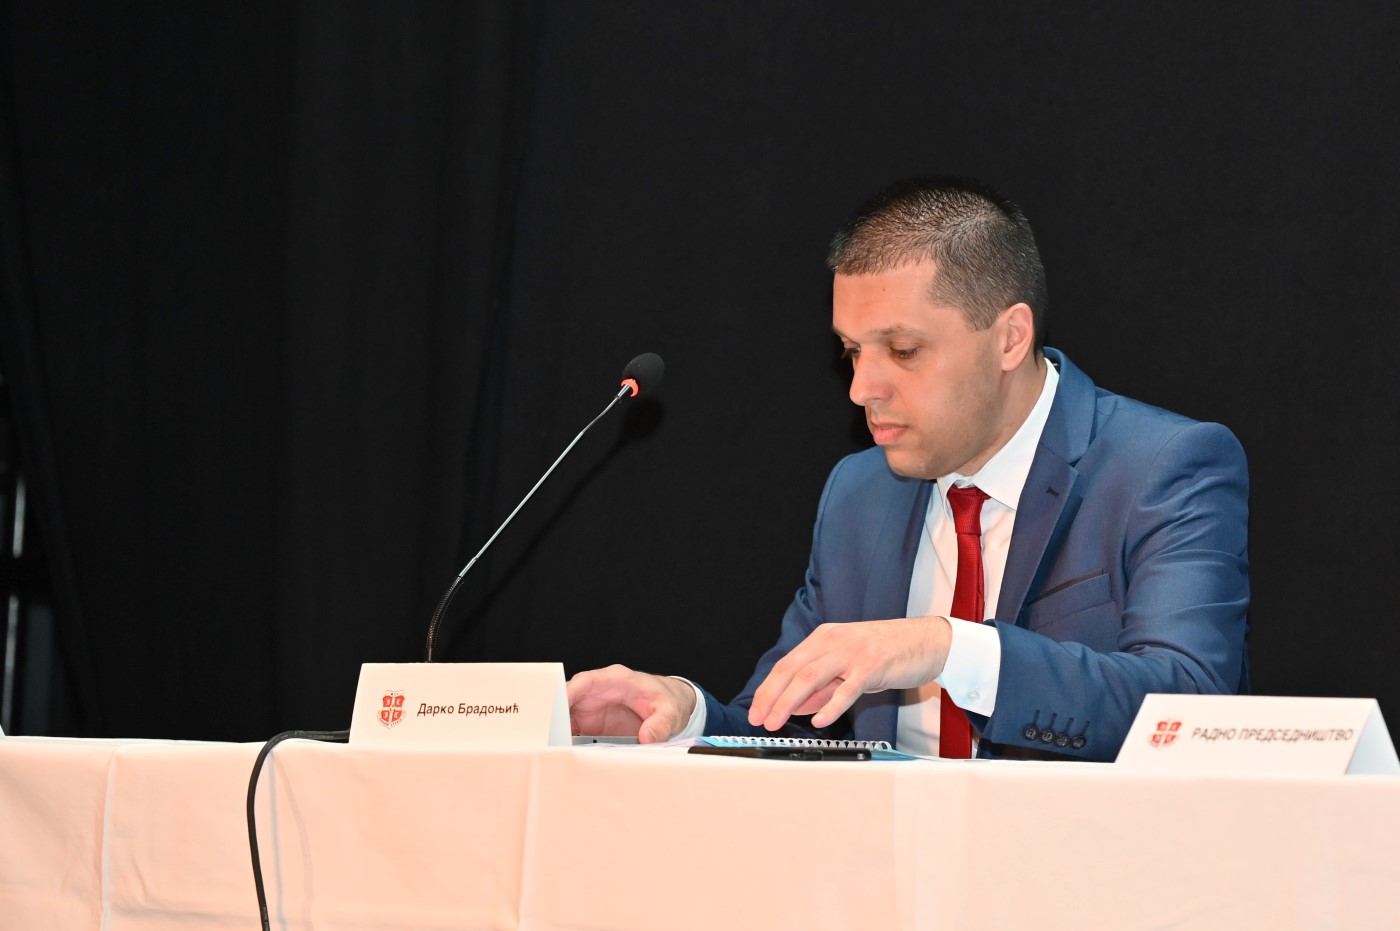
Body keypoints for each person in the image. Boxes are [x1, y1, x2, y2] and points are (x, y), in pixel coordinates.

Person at [567, 176, 1249, 761]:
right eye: (851, 352)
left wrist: (949, 648)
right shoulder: (859, 493)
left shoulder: (1162, 468)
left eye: (902, 350)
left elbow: (1190, 706)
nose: (861, 389)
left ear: (1010, 338)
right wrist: (683, 717)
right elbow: (781, 723)